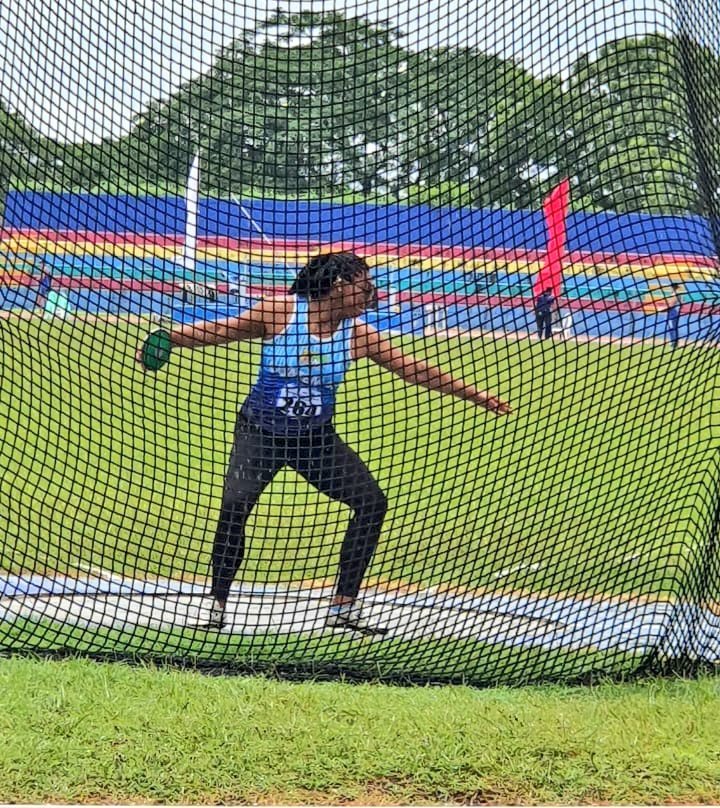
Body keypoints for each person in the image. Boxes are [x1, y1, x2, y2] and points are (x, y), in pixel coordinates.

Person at [140, 252, 512, 635]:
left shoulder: (359, 334)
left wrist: (476, 396)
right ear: (339, 285)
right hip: (260, 433)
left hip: (315, 440)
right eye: (364, 286)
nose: (370, 295)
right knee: (235, 505)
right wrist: (169, 338)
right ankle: (217, 607)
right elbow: (222, 331)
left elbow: (413, 370)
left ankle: (343, 607)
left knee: (371, 504)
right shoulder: (281, 311)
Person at [666, 283, 682, 349]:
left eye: (671, 287)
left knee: (672, 328)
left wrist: (662, 309)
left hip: (672, 313)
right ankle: (675, 342)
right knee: (674, 328)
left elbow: (671, 305)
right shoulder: (678, 295)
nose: (670, 288)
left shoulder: (674, 295)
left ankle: (674, 343)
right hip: (675, 312)